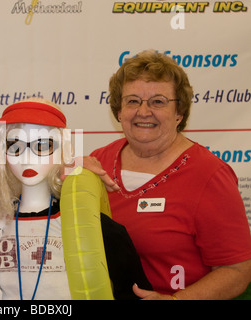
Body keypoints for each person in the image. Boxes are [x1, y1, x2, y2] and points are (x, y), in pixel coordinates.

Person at [0, 98, 151, 300]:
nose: (27, 157)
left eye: (42, 145)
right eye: (14, 145)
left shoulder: (98, 229)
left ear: (62, 150)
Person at [90, 49, 251, 300]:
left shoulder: (210, 175)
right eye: (132, 101)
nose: (144, 111)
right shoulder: (96, 162)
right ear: (119, 111)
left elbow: (238, 270)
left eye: (158, 101)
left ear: (179, 113)